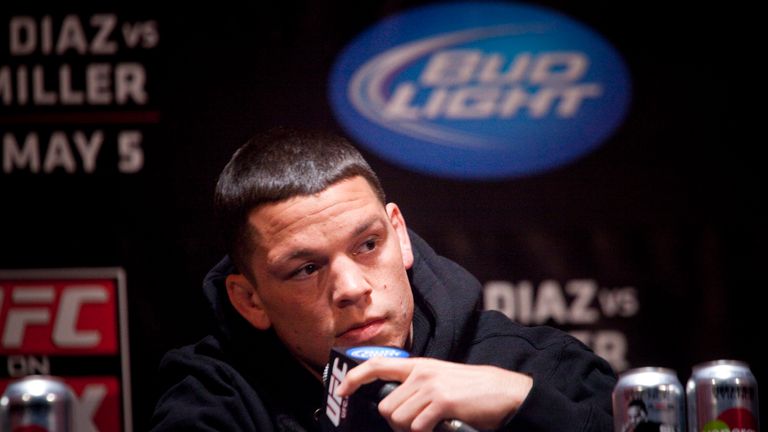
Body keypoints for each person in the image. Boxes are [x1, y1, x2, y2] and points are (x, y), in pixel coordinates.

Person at [150, 128, 617, 432]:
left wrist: (523, 405)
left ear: (400, 235)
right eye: (306, 269)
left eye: (367, 245)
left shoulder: (536, 368)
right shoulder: (214, 400)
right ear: (250, 300)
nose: (351, 288)